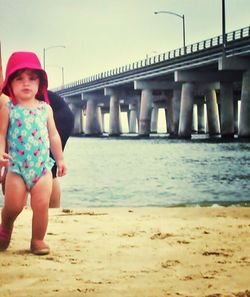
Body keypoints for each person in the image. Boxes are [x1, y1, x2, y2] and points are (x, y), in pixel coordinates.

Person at [0, 51, 67, 255]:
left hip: (42, 167)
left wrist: (60, 159)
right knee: (13, 206)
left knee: (41, 206)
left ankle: (37, 240)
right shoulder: (8, 108)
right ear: (10, 84)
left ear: (40, 83)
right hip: (17, 167)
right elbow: (1, 134)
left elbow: (54, 136)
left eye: (31, 78)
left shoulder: (45, 109)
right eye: (19, 78)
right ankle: (6, 226)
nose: (26, 83)